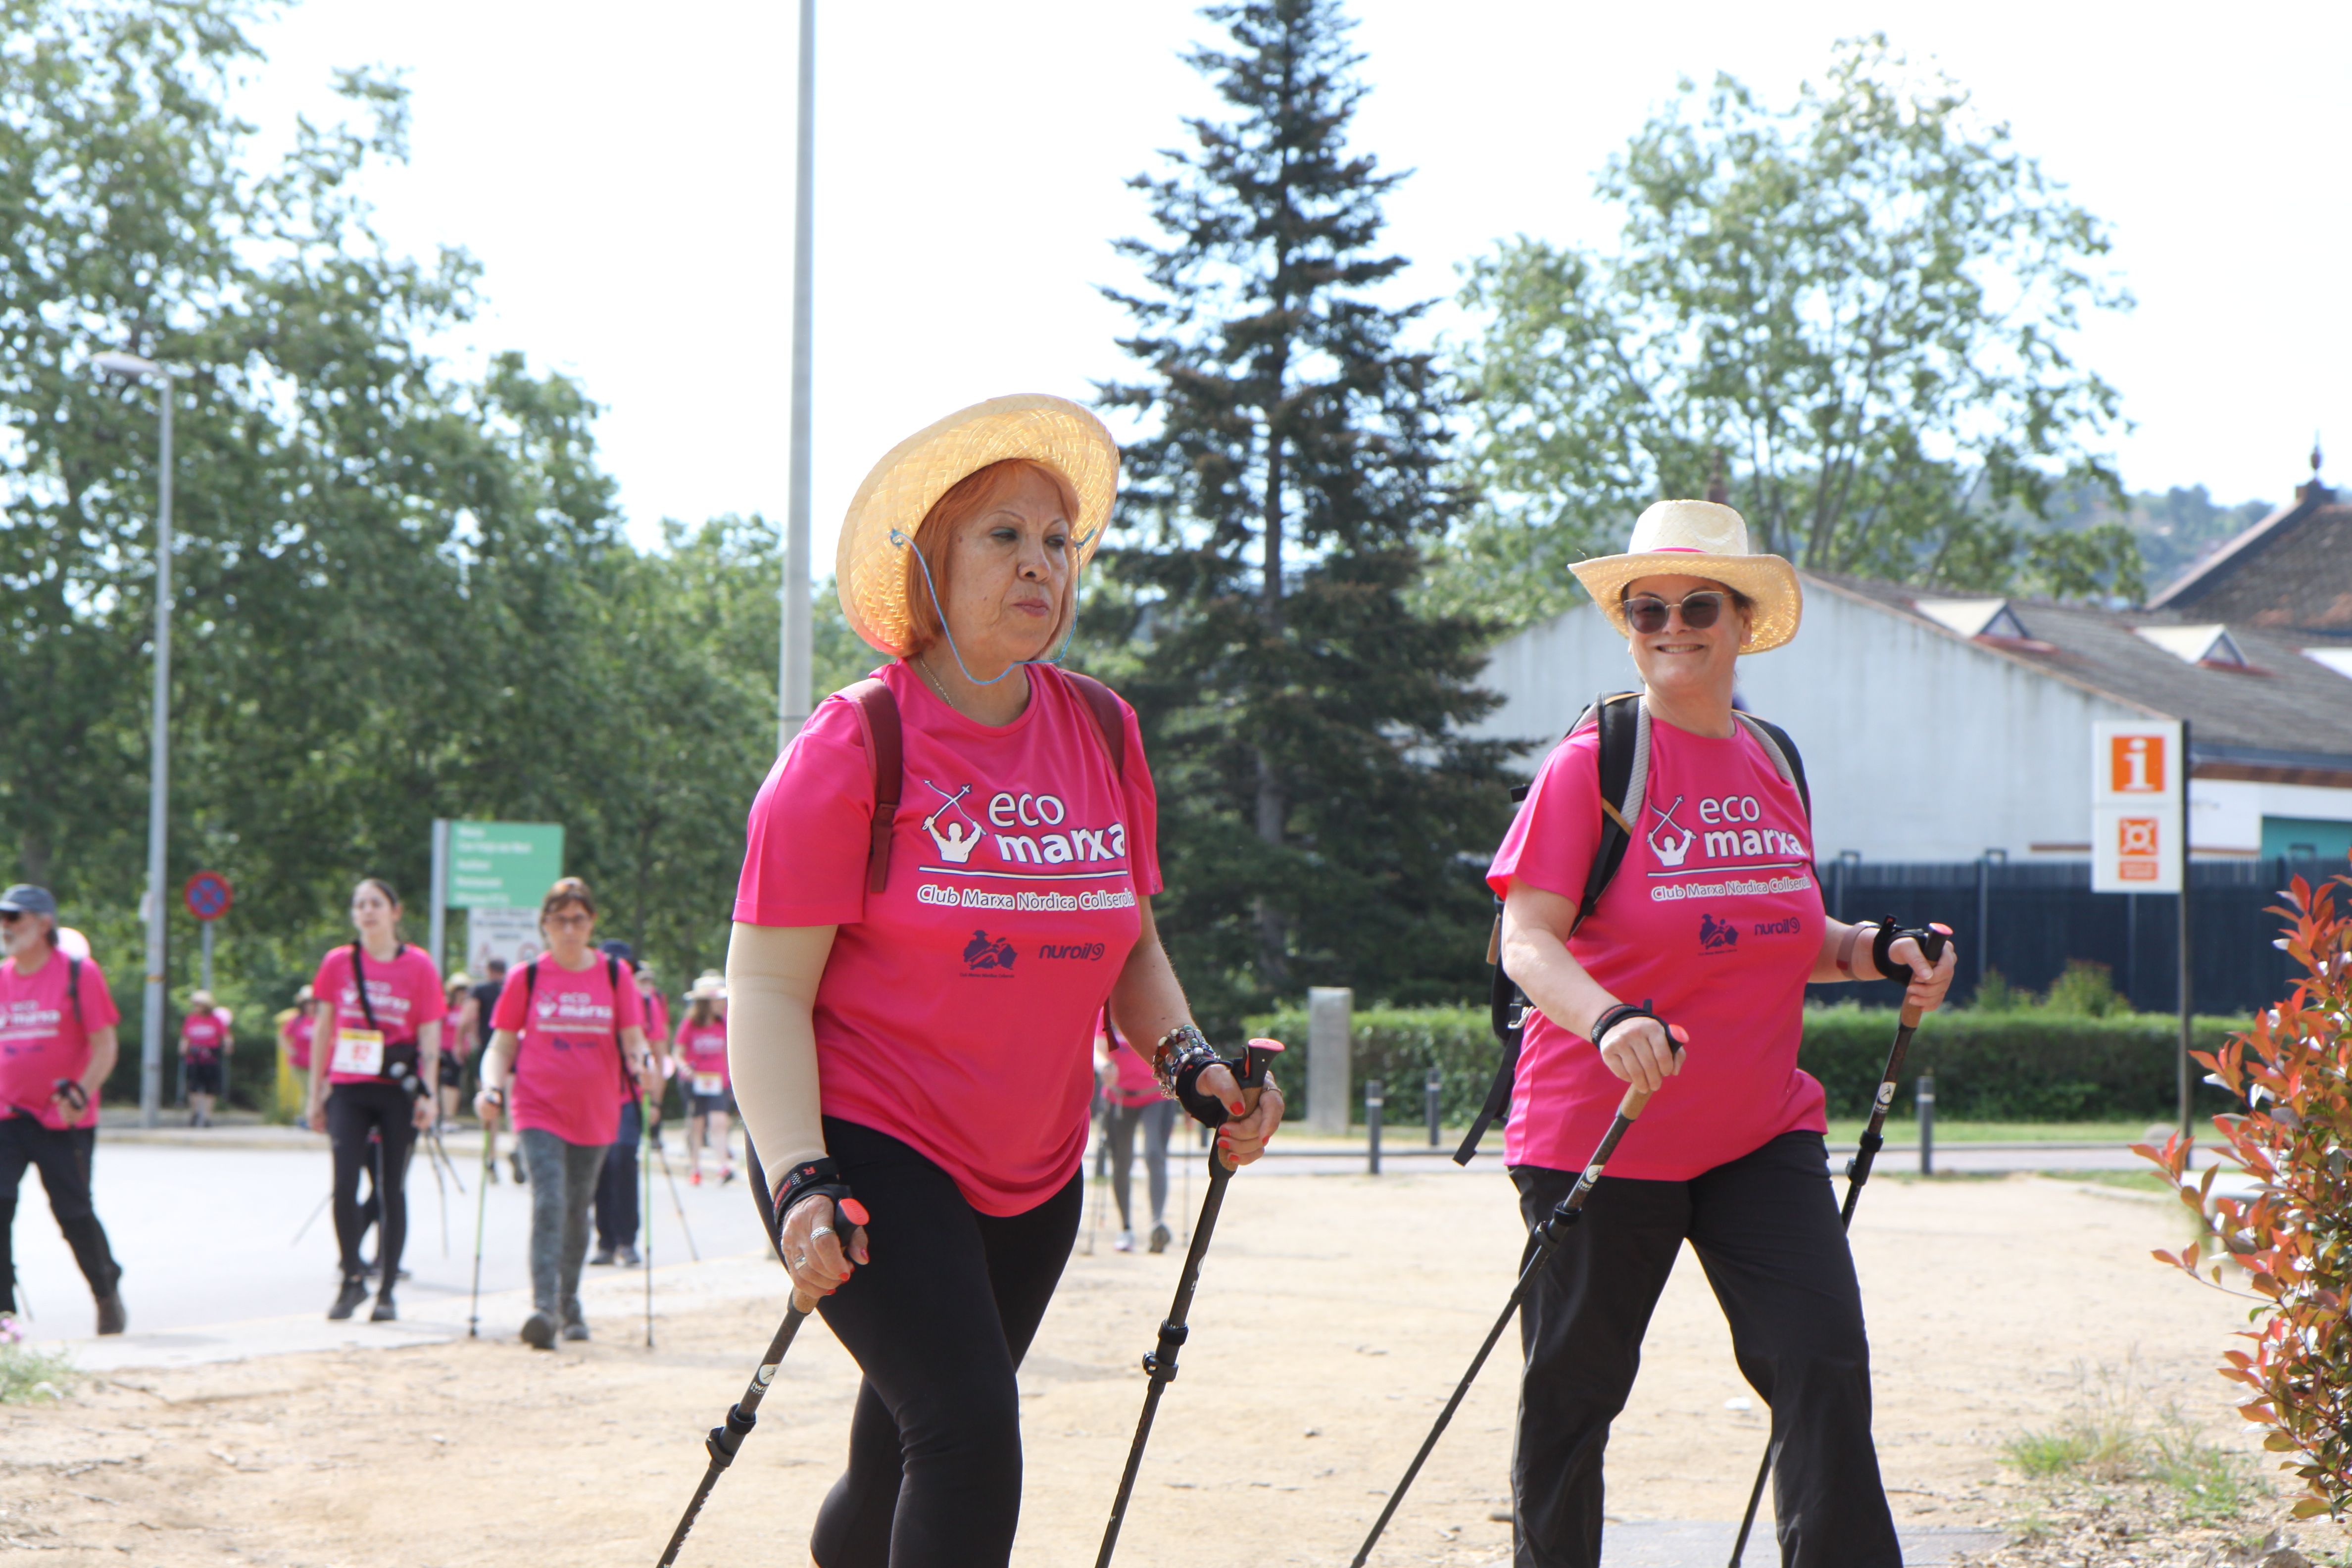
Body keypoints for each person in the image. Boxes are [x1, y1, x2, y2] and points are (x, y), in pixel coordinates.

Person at [727, 394, 1284, 1567]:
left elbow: (1126, 944)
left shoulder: (1100, 729)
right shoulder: (851, 746)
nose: (1041, 561)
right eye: (1003, 536)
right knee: (970, 1432)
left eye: (1057, 538)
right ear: (928, 564)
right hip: (866, 1148)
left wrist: (1192, 1064)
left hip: (1034, 1168)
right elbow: (766, 991)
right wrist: (796, 1183)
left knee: (903, 1453)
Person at [1485, 499, 1958, 1568]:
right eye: (1646, 608)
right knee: (1575, 1397)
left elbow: (1787, 933)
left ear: (1743, 622)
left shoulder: (1773, 760)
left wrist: (1879, 951)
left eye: (1699, 604)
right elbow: (1527, 939)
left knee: (1822, 1360)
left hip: (1757, 1132)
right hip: (1601, 1134)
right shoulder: (1593, 764)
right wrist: (1608, 1020)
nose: (1671, 626)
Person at [474, 878, 656, 1347]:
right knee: (549, 1200)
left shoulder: (615, 975)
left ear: (591, 922)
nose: (569, 929)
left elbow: (635, 1041)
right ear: (545, 925)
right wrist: (491, 1086)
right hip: (537, 1107)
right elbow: (502, 1044)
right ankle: (542, 1309)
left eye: (578, 919)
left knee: (578, 1209)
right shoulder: (526, 977)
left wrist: (647, 1066)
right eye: (559, 920)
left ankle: (569, 1302)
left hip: (597, 1111)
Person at [305, 878, 445, 1323]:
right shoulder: (339, 963)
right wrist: (316, 1092)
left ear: (395, 912)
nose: (368, 912)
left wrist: (430, 1092)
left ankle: (386, 1288)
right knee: (344, 1184)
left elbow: (429, 1032)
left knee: (390, 1189)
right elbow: (324, 1029)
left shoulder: (418, 966)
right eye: (360, 905)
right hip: (349, 1085)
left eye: (377, 904)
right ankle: (351, 1278)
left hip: (397, 1089)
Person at [0, 885, 127, 1335]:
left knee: (73, 1213)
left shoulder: (78, 973)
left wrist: (81, 1092)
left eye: (16, 918)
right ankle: (4, 1315)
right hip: (9, 1116)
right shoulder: (2, 977)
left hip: (62, 1119)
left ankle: (106, 1288)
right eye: (3, 918)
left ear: (44, 923)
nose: (7, 927)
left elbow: (105, 1045)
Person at [589, 940, 668, 1267]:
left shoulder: (647, 1004)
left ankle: (627, 1240)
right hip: (597, 1096)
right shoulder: (594, 999)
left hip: (631, 1096)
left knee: (623, 1159)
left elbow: (659, 1052)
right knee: (601, 1165)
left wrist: (656, 1101)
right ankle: (606, 1240)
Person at [1095, 1009, 1174, 1253]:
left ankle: (1157, 1224)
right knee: (1121, 1163)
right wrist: (1105, 1066)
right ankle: (1126, 1228)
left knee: (1154, 1154)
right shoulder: (1106, 1013)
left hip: (1156, 1096)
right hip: (1119, 1099)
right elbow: (1096, 1048)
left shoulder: (1153, 1003)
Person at [673, 972, 733, 1185]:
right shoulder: (690, 1025)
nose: (722, 1003)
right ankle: (695, 1168)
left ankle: (723, 1167)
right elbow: (678, 1053)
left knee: (719, 1122)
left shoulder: (725, 1023)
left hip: (718, 1082)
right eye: (717, 999)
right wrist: (685, 1068)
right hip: (695, 1082)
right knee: (697, 1125)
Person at [470, 958, 518, 1182]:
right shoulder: (513, 987)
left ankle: (490, 1159)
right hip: (517, 1054)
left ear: (489, 970)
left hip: (491, 1053)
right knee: (515, 1109)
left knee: (491, 1107)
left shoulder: (480, 990)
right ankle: (519, 1148)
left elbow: (468, 1017)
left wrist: (464, 1039)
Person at [179, 989, 233, 1127]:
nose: (195, 1007)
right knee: (193, 1086)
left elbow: (225, 1035)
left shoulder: (215, 1020)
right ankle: (195, 1112)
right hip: (194, 1056)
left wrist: (228, 1046)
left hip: (211, 1056)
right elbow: (186, 1036)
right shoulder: (191, 1019)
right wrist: (183, 1048)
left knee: (210, 1088)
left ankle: (207, 1116)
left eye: (198, 1004)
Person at [439, 974, 477, 1131]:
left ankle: (449, 1117)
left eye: (465, 990)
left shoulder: (469, 1010)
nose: (462, 993)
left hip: (460, 1052)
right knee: (442, 1082)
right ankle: (439, 1117)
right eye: (459, 990)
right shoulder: (445, 1007)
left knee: (453, 1084)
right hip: (443, 1050)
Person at [276, 985, 315, 1120]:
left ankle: (311, 1117)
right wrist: (289, 1050)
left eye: (314, 1002)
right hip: (300, 1062)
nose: (311, 1006)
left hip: (318, 1063)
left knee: (315, 1091)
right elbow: (282, 1036)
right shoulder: (297, 1020)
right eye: (308, 1003)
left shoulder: (322, 1019)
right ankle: (305, 1117)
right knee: (308, 1090)